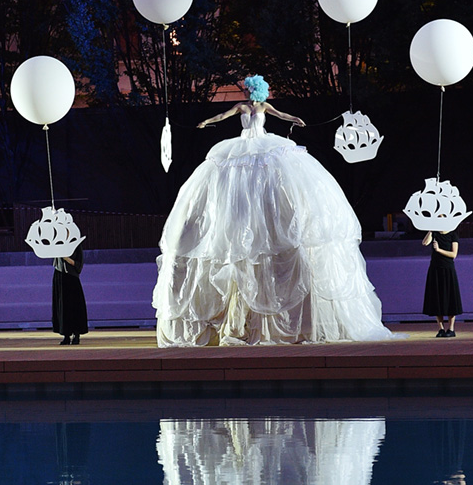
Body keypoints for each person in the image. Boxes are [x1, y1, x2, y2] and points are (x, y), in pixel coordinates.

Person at [152, 74, 393, 347]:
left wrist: (295, 120)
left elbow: (281, 113)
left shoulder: (263, 108)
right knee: (238, 186)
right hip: (244, 144)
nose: (253, 97)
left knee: (270, 181)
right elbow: (223, 114)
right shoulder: (243, 108)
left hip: (263, 141)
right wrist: (207, 121)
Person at [422, 228, 462, 337]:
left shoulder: (453, 235)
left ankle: (451, 329)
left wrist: (439, 250)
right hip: (435, 269)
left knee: (450, 298)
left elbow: (454, 254)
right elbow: (425, 243)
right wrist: (431, 230)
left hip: (448, 269)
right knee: (437, 299)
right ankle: (441, 329)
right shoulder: (434, 234)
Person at [52, 242, 88, 345]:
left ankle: (76, 335)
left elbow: (79, 265)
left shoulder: (76, 244)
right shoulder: (57, 243)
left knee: (74, 306)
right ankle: (66, 335)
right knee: (63, 307)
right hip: (59, 276)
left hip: (72, 278)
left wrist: (66, 258)